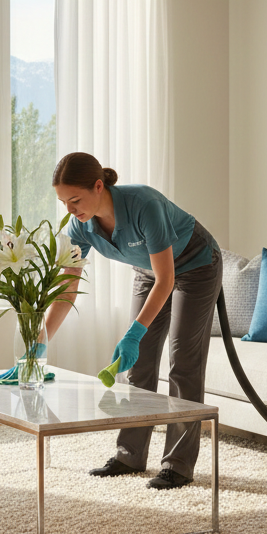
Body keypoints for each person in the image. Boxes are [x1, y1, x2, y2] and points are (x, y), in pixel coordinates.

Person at [44, 152, 222, 489]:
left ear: (99, 186)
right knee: (137, 365)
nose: (70, 209)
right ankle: (130, 455)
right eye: (63, 202)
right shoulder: (79, 226)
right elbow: (68, 287)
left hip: (195, 265)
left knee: (183, 360)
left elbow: (166, 278)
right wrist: (40, 339)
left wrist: (133, 332)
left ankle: (178, 465)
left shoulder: (143, 204)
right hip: (149, 272)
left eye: (76, 199)